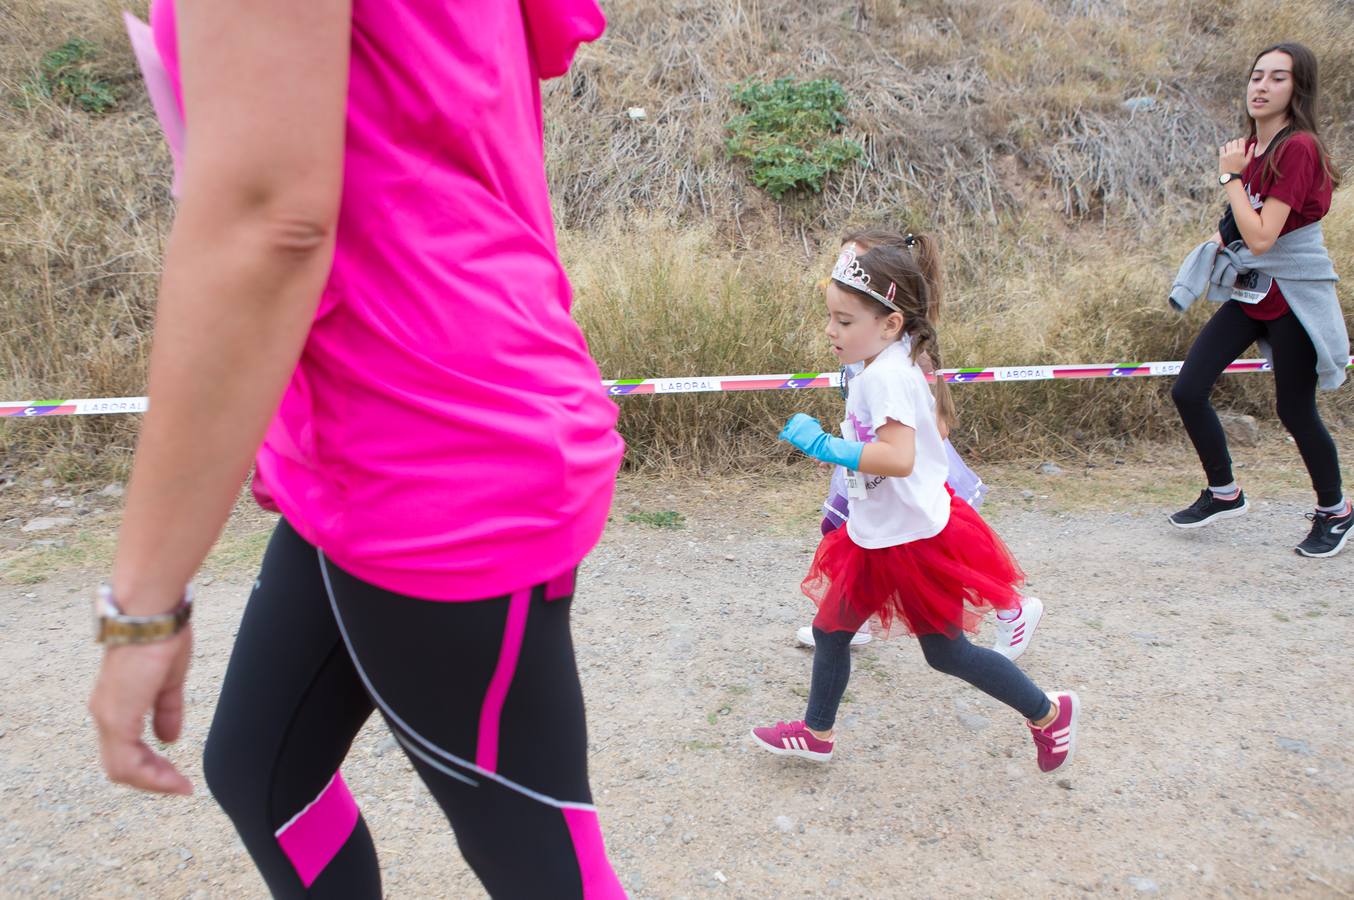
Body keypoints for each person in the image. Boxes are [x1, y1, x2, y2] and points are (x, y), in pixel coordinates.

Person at [87, 0, 628, 896]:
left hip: (436, 456)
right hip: (367, 451)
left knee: (536, 857)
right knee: (262, 777)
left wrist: (142, 607)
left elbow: (268, 228)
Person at [752, 235, 1078, 773]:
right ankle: (816, 733)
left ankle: (1049, 714)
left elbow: (898, 458)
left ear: (889, 324)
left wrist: (825, 446)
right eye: (830, 317)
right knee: (832, 629)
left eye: (845, 320)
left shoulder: (886, 377)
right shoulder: (884, 363)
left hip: (909, 542)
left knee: (947, 652)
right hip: (880, 532)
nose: (831, 331)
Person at [792, 234, 1043, 659]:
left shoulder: (902, 352)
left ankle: (1012, 607)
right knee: (847, 535)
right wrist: (844, 445)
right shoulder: (868, 341)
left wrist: (833, 448)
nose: (843, 269)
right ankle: (851, 622)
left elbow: (934, 422)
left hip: (907, 465)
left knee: (943, 558)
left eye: (853, 261)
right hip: (871, 458)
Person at [1168, 42, 1349, 558]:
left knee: (1295, 410)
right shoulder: (1253, 148)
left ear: (1298, 88)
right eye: (1256, 76)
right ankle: (1225, 491)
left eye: (1277, 78)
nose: (1261, 87)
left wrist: (1229, 177)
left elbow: (1266, 235)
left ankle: (1336, 511)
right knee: (1188, 388)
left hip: (1293, 289)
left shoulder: (1300, 148)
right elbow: (1240, 230)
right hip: (1253, 288)